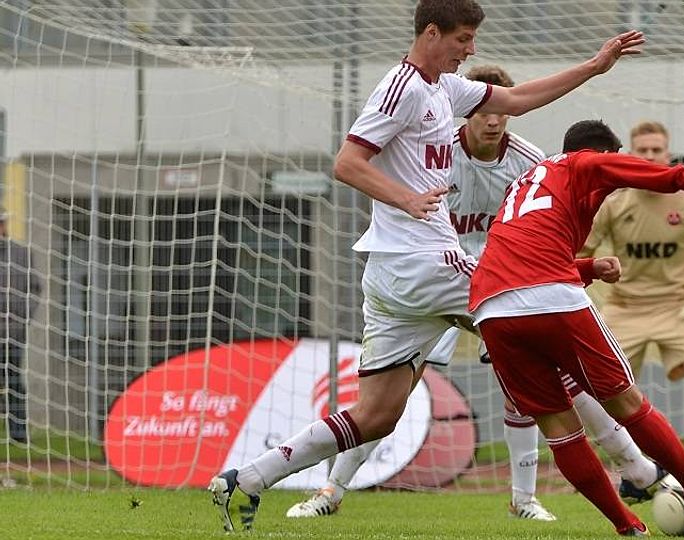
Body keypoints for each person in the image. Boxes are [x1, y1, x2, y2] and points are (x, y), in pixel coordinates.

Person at [208, 1, 647, 532]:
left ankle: (247, 479)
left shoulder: (445, 88)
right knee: (545, 333)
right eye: (463, 38)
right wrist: (407, 199)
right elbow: (347, 162)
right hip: (425, 260)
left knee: (377, 415)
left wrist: (593, 67)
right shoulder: (402, 88)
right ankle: (642, 472)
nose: (471, 48)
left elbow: (516, 99)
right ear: (432, 33)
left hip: (397, 276)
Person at [284, 66, 666, 522]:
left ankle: (533, 496)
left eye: (500, 111)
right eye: (483, 110)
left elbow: (549, 228)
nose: (493, 119)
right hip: (440, 277)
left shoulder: (529, 162)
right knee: (390, 397)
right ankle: (331, 490)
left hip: (503, 282)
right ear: (465, 112)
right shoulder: (433, 155)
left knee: (546, 376)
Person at [469, 119, 684, 536]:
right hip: (554, 299)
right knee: (626, 401)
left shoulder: (528, 184)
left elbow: (529, 250)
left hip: (491, 308)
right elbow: (609, 169)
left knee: (558, 427)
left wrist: (588, 267)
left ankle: (628, 525)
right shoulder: (579, 163)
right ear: (600, 153)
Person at [579, 121, 684, 477]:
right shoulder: (614, 202)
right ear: (631, 155)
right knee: (604, 394)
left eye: (657, 150)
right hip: (625, 309)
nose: (650, 156)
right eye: (643, 150)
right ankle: (608, 476)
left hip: (677, 308)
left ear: (668, 154)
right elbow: (580, 253)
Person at [0, 209, 41, 444]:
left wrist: (22, 316)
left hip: (13, 332)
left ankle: (18, 434)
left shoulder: (21, 253)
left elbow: (34, 288)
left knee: (14, 380)